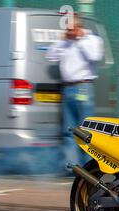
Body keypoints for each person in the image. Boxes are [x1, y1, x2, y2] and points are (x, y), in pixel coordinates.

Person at [46, 14, 104, 166]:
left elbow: (95, 56)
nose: (70, 32)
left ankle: (88, 166)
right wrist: (63, 40)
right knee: (68, 131)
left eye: (73, 28)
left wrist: (80, 39)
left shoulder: (92, 40)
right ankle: (72, 166)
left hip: (83, 88)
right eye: (68, 29)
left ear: (79, 27)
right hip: (67, 89)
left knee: (85, 130)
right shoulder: (65, 42)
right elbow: (50, 56)